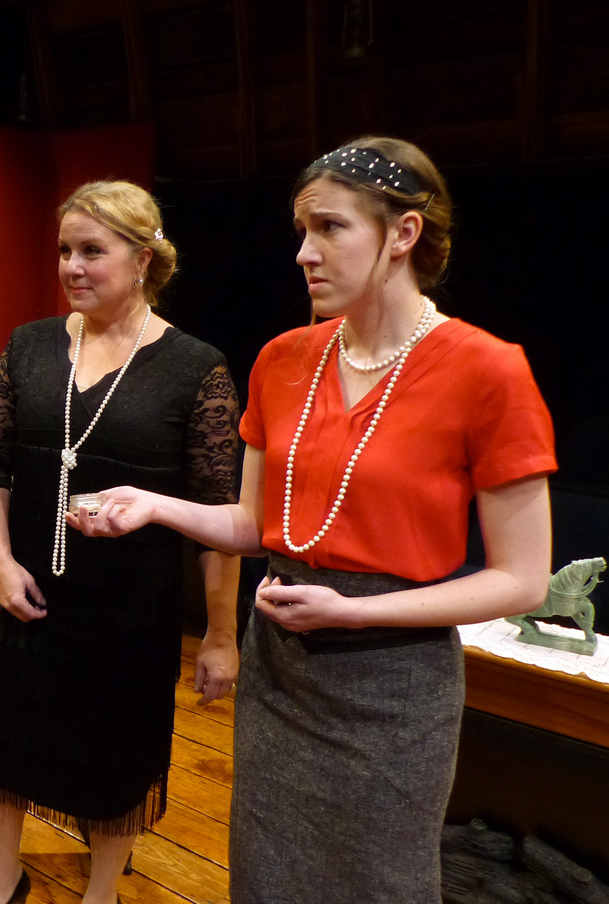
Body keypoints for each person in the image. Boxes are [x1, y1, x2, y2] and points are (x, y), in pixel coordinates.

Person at [71, 137, 556, 902]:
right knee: (267, 879)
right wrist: (154, 506)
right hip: (283, 670)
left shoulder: (488, 369)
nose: (304, 252)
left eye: (330, 228)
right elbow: (255, 527)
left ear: (404, 234)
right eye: (301, 230)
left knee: (378, 884)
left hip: (395, 682)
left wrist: (352, 612)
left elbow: (523, 581)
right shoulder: (284, 359)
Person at [0, 180, 242, 904]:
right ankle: (1, 879)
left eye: (93, 250)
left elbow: (222, 518)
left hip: (130, 611)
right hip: (24, 590)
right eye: (64, 250)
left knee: (116, 754)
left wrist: (220, 632)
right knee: (3, 737)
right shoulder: (28, 345)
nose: (72, 266)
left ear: (143, 259)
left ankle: (103, 889)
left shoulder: (196, 368)